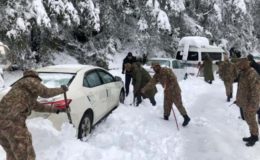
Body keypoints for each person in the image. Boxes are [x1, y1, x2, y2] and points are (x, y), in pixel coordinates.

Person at [0, 70, 68, 160]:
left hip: (2, 126)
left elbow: (39, 107)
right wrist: (62, 90)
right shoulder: (30, 80)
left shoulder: (23, 92)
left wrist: (57, 110)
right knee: (26, 154)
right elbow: (46, 92)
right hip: (13, 123)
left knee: (12, 153)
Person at [235, 58, 260, 146]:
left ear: (245, 64)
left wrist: (253, 104)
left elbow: (256, 91)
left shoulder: (252, 73)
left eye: (240, 65)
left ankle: (255, 137)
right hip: (245, 101)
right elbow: (241, 87)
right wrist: (238, 99)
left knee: (252, 120)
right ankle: (252, 134)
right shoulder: (243, 72)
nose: (239, 67)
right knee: (247, 119)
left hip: (251, 102)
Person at [247, 54, 260, 124]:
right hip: (254, 86)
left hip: (255, 86)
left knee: (255, 102)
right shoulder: (256, 65)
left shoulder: (252, 66)